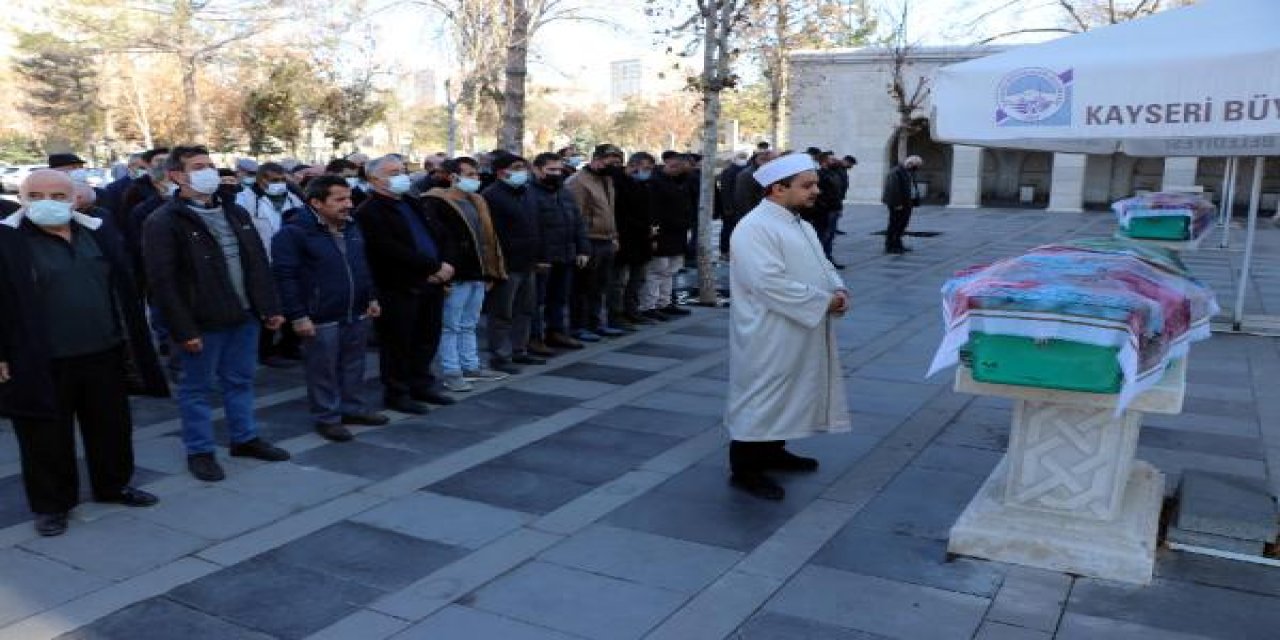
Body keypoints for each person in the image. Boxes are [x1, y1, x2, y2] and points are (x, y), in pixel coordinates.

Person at [0, 170, 169, 536]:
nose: (48, 202)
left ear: (75, 198)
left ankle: (113, 485)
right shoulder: (8, 240)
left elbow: (123, 284)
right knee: (44, 438)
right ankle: (52, 505)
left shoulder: (97, 231)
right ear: (23, 198)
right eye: (37, 194)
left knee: (111, 428)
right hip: (41, 361)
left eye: (58, 195)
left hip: (104, 352)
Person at [143, 145, 291, 482]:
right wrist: (182, 330)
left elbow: (256, 262)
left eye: (210, 164)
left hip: (244, 316)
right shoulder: (163, 221)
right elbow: (162, 283)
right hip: (202, 321)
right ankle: (200, 450)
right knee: (196, 389)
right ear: (177, 176)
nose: (208, 171)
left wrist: (269, 307)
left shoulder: (234, 211)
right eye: (198, 166)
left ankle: (245, 438)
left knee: (240, 380)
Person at [726, 154, 851, 500]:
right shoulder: (754, 228)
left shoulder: (800, 223)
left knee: (790, 390)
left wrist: (837, 287)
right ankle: (745, 468)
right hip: (768, 330)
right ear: (778, 189)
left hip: (798, 325)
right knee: (762, 393)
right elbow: (767, 282)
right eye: (807, 185)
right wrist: (822, 301)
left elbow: (822, 263)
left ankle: (773, 451)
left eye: (815, 183)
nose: (815, 191)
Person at [272, 176, 388, 442]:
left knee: (354, 365)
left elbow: (361, 265)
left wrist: (370, 296)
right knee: (322, 369)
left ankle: (353, 408)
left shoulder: (351, 226)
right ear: (316, 202)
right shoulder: (294, 233)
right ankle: (327, 417)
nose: (348, 204)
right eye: (340, 199)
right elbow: (285, 277)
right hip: (320, 314)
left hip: (355, 309)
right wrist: (298, 315)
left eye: (349, 198)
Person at [355, 154, 457, 415]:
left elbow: (439, 234)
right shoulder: (370, 211)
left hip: (431, 284)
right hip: (399, 286)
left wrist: (445, 264)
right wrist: (432, 268)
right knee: (398, 343)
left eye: (402, 170)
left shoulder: (412, 202)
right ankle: (397, 392)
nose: (400, 176)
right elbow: (388, 249)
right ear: (374, 179)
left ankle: (422, 384)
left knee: (427, 338)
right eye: (392, 172)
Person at [424, 157, 509, 392]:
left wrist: (490, 271)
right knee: (450, 326)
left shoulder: (477, 200)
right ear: (453, 177)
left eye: (476, 174)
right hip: (455, 275)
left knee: (469, 324)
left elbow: (487, 239)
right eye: (470, 174)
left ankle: (471, 366)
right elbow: (439, 242)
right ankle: (451, 371)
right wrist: (444, 275)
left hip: (477, 273)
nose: (476, 179)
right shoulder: (435, 202)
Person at [236, 162, 305, 367]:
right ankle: (264, 351)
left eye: (283, 180)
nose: (280, 184)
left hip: (289, 260)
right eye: (274, 180)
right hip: (261, 261)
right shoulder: (244, 200)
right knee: (268, 307)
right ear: (261, 179)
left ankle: (290, 346)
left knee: (293, 303)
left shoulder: (293, 200)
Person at [482, 153, 546, 370]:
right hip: (506, 264)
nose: (522, 171)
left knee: (526, 309)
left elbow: (536, 224)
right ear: (501, 172)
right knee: (502, 312)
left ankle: (520, 349)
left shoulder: (527, 192)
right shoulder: (491, 196)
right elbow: (491, 235)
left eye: (523, 167)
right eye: (517, 167)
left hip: (528, 262)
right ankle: (499, 355)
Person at [528, 152, 590, 351]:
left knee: (559, 298)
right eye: (551, 170)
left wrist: (582, 249)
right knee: (536, 301)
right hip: (543, 257)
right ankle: (534, 337)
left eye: (559, 170)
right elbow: (531, 228)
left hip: (566, 253)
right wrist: (538, 257)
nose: (556, 174)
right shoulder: (529, 192)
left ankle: (556, 332)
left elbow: (577, 221)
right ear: (537, 170)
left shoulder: (563, 191)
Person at [565, 143, 626, 341]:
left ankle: (595, 323)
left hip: (606, 240)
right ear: (598, 159)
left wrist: (614, 236)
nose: (616, 166)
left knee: (600, 287)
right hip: (589, 240)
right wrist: (581, 246)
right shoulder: (578, 182)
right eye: (612, 162)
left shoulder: (606, 180)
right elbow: (576, 217)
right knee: (582, 288)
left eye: (618, 162)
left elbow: (610, 210)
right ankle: (578, 326)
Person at [638, 153, 696, 322]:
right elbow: (653, 210)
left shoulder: (677, 182)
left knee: (670, 270)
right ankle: (649, 305)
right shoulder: (655, 182)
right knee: (657, 270)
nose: (684, 173)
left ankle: (664, 302)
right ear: (672, 166)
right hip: (663, 234)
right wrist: (654, 235)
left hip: (677, 233)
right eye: (682, 170)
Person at [611, 152, 657, 328]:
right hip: (624, 237)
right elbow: (620, 213)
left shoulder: (644, 184)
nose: (648, 172)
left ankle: (632, 310)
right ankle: (616, 314)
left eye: (650, 169)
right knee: (618, 281)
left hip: (641, 239)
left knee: (638, 278)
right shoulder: (617, 183)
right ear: (632, 165)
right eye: (645, 168)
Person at [882, 155, 923, 254]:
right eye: (916, 165)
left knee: (902, 225)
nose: (916, 168)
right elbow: (893, 189)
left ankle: (898, 244)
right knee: (894, 225)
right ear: (910, 163)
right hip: (898, 204)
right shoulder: (896, 172)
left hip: (907, 203)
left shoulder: (908, 172)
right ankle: (890, 246)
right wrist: (897, 204)